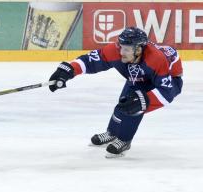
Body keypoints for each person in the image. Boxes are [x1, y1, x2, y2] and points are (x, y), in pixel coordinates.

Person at [47, 27, 183, 157]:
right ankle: (112, 132)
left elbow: (167, 92)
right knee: (124, 102)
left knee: (135, 106)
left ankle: (124, 140)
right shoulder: (116, 50)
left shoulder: (156, 60)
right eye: (121, 47)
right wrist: (68, 70)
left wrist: (144, 101)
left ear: (138, 50)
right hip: (140, 77)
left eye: (127, 49)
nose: (121, 52)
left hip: (169, 80)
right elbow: (90, 61)